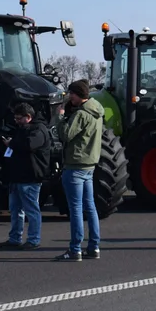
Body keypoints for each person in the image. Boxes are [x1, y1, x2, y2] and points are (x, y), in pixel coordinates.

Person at [55, 80, 104, 261]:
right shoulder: (97, 110)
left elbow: (66, 135)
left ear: (78, 94)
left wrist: (60, 117)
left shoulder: (81, 115)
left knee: (75, 208)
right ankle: (94, 246)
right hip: (90, 164)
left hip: (75, 163)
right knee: (90, 207)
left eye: (72, 94)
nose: (70, 98)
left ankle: (75, 249)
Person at [0, 103, 51, 250]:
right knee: (15, 210)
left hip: (30, 177)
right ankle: (15, 238)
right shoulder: (22, 129)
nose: (16, 121)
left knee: (31, 210)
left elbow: (29, 145)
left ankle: (33, 240)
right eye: (15, 118)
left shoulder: (39, 130)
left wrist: (11, 143)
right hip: (17, 176)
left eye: (19, 118)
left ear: (28, 117)